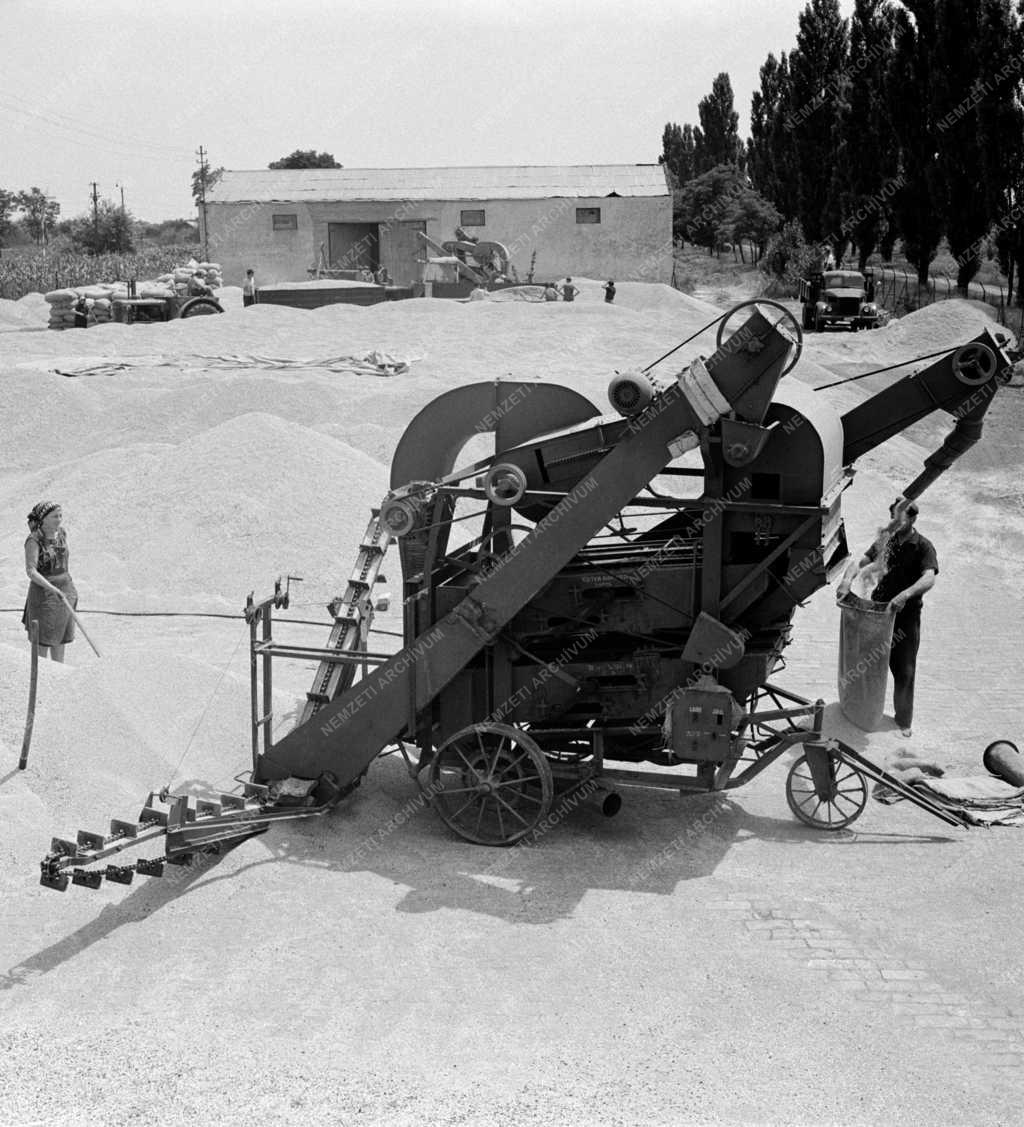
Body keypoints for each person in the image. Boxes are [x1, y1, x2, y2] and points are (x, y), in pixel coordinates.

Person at [836, 499, 938, 737]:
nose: (894, 522)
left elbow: (929, 577)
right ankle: (863, 710)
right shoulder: (886, 540)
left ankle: (903, 722)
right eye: (892, 517)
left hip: (904, 618)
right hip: (878, 615)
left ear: (912, 519)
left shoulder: (923, 546)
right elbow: (859, 562)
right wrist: (846, 580)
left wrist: (906, 593)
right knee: (868, 665)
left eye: (899, 519)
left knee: (904, 671)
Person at [23, 501, 78, 663]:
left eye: (60, 515)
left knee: (61, 638)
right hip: (44, 595)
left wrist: (66, 588)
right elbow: (31, 571)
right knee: (44, 640)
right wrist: (52, 588)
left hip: (66, 591)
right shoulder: (34, 540)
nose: (59, 520)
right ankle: (44, 679)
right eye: (55, 516)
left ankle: (58, 676)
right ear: (43, 518)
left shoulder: (62, 534)